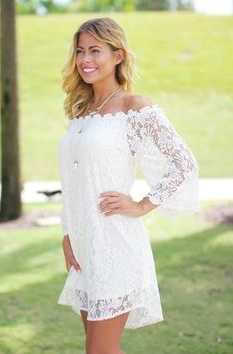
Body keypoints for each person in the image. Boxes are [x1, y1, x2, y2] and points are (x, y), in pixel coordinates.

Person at [57, 17, 200, 354]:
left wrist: (143, 204)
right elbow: (72, 181)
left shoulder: (135, 108)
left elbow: (184, 163)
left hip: (115, 244)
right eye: (80, 51)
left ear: (118, 55)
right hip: (83, 245)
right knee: (99, 349)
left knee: (99, 350)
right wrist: (67, 236)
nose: (85, 60)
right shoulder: (80, 112)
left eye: (95, 51)